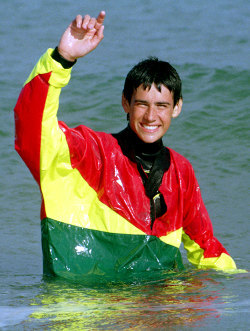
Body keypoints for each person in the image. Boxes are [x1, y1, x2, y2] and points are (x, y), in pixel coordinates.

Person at [14, 11, 236, 280]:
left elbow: (206, 247)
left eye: (162, 106)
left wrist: (238, 285)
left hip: (158, 310)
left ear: (176, 108)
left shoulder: (181, 171)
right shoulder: (91, 153)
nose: (151, 116)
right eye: (142, 104)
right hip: (87, 310)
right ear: (125, 104)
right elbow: (32, 128)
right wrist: (63, 58)